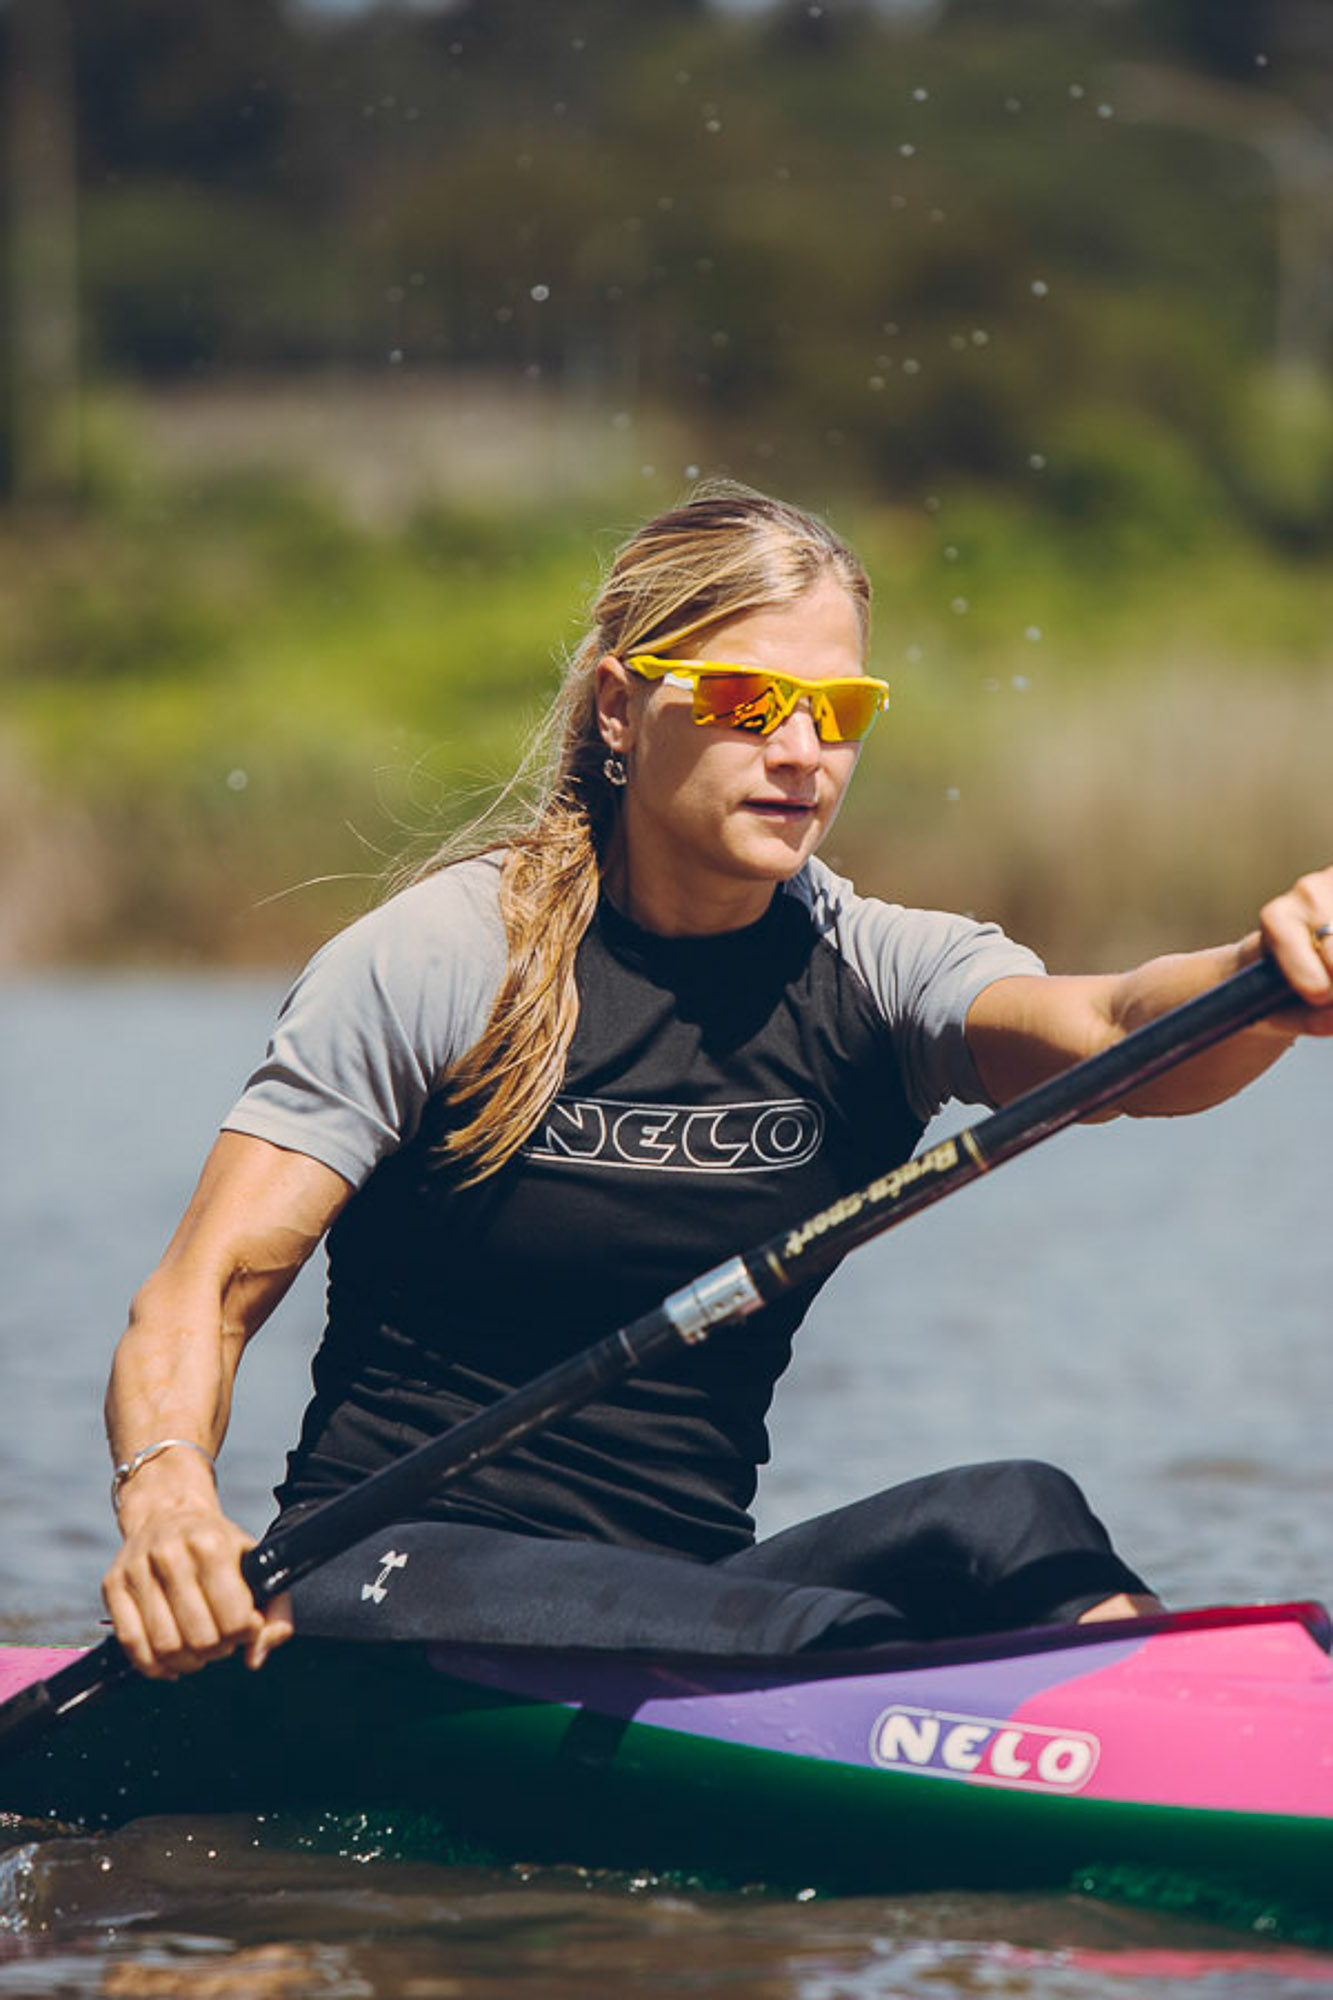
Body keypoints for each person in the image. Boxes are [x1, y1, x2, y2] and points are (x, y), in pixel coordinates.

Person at [102, 487, 1333, 1681]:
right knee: (821, 1637)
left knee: (1013, 1512)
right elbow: (205, 1289)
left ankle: (1213, 1729)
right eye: (751, 701)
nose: (801, 754)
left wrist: (1259, 974)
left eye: (838, 709)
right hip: (375, 1575)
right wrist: (170, 1506)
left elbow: (1122, 1036)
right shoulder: (446, 956)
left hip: (697, 1594)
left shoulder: (869, 969)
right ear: (621, 711)